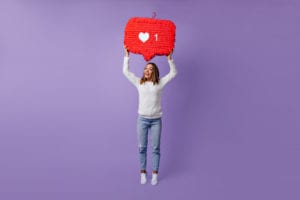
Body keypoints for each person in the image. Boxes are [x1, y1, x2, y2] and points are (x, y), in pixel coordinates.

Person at [123, 46, 177, 185]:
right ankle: (142, 172)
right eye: (145, 69)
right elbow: (126, 72)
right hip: (142, 120)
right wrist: (127, 56)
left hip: (156, 121)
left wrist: (170, 60)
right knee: (142, 147)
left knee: (156, 148)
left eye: (150, 69)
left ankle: (154, 174)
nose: (147, 71)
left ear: (155, 72)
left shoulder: (159, 83)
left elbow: (173, 73)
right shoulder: (139, 83)